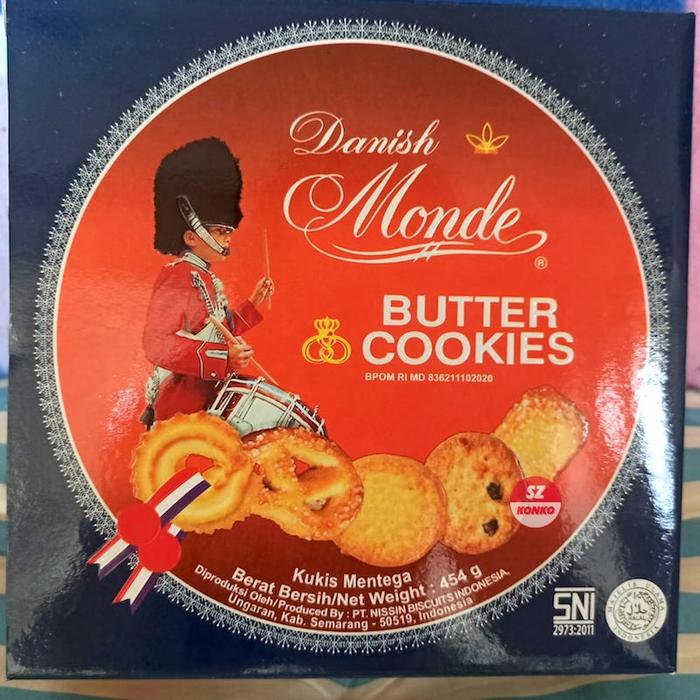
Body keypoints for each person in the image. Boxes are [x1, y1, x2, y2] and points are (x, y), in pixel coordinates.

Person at [140, 137, 273, 427]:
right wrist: (224, 358)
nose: (228, 238)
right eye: (221, 231)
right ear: (191, 236)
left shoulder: (204, 277)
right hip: (181, 403)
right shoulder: (178, 277)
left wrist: (253, 302)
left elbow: (216, 331)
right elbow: (157, 344)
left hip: (206, 394)